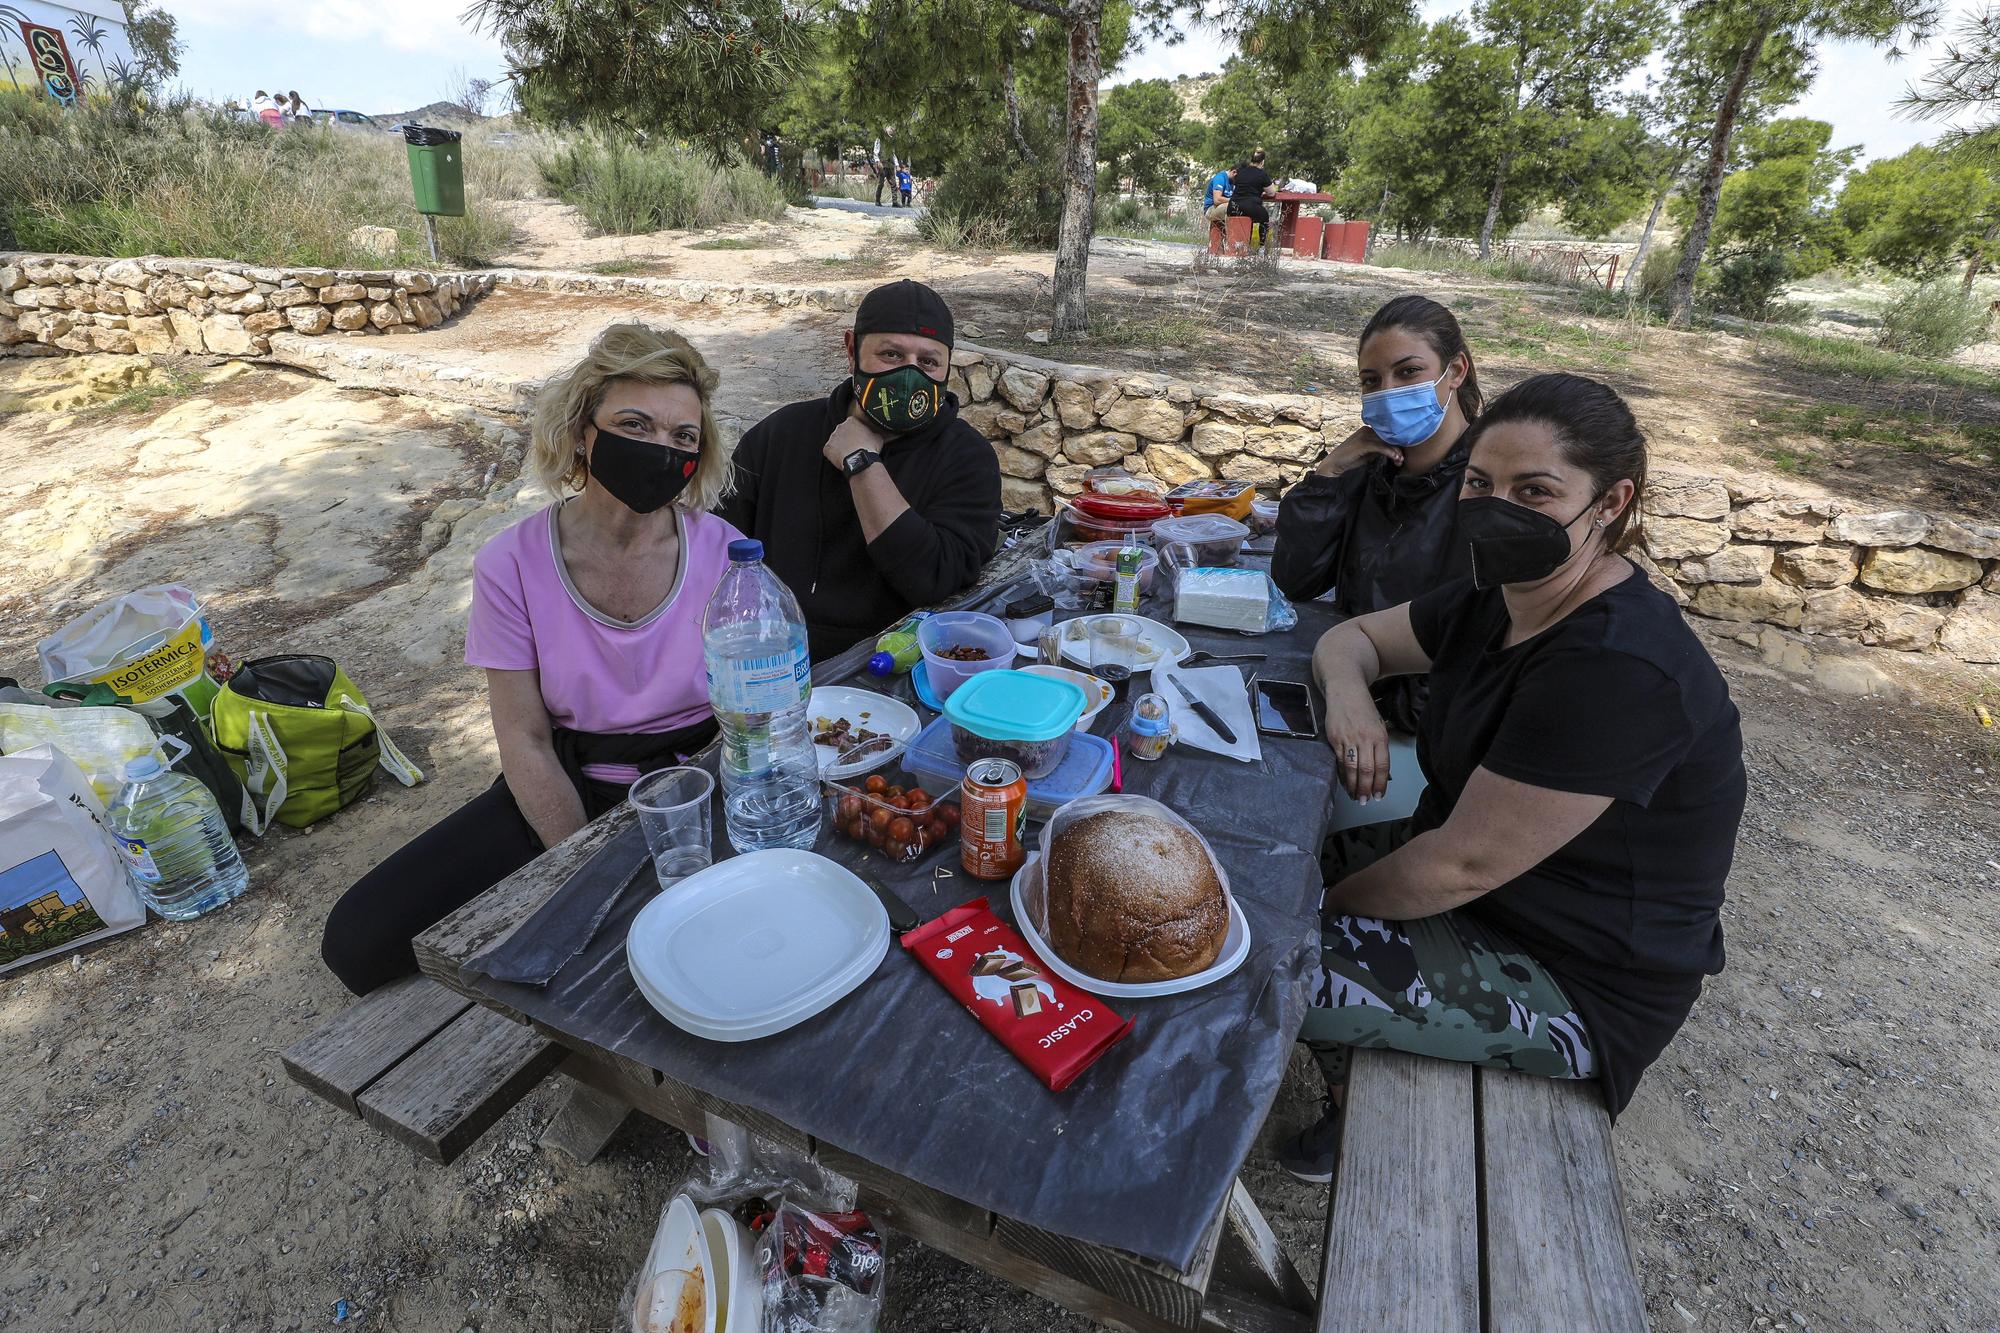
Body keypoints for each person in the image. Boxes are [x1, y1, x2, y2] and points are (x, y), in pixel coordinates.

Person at [1276, 373, 1746, 1181]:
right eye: (1480, 484)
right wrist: (1350, 701)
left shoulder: (1616, 666)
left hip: (1576, 971)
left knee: (1264, 968)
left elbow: (1460, 866)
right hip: (1494, 891)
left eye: (1534, 491)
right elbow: (1351, 641)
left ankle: (1383, 1126)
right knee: (1263, 873)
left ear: (1609, 501)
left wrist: (1319, 916)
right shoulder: (1500, 594)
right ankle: (1361, 1073)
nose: (1497, 508)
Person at [320, 325, 745, 995]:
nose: (661, 450)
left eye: (682, 437)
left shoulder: (725, 549)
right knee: (358, 939)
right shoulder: (511, 563)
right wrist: (581, 867)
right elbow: (523, 737)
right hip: (576, 780)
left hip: (702, 779)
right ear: (582, 431)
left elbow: (750, 708)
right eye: (635, 424)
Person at [719, 279, 1002, 661]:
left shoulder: (967, 457)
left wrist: (862, 464)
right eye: (890, 354)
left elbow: (935, 579)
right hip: (772, 657)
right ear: (851, 350)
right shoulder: (780, 435)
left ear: (946, 368)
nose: (909, 375)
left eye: (928, 362)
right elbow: (717, 553)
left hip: (892, 665)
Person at [1271, 295, 1481, 733]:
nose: (1388, 392)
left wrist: (1366, 699)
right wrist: (1328, 474)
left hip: (1419, 728)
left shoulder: (1487, 489)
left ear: (1455, 372)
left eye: (1408, 372)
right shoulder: (1369, 468)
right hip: (1346, 679)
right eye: (1371, 380)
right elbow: (1296, 581)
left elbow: (1467, 649)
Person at [1228, 148, 1276, 246]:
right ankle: (1261, 247)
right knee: (1264, 216)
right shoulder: (1262, 174)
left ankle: (1239, 245)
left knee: (1250, 217)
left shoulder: (1240, 171)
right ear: (1262, 162)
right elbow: (1272, 193)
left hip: (1232, 206)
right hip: (1251, 207)